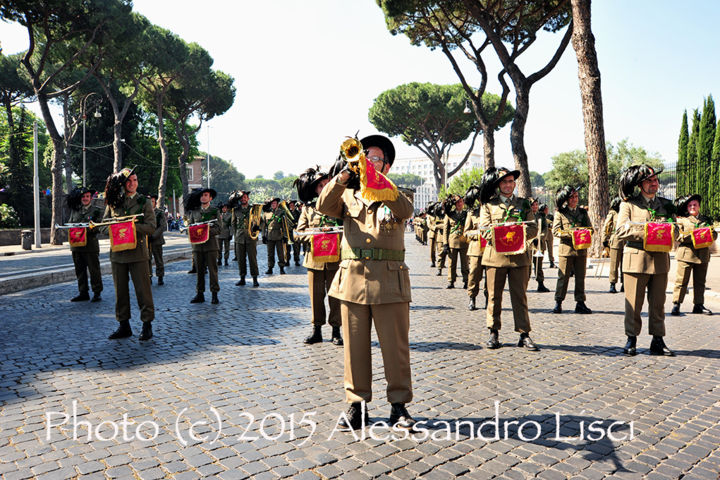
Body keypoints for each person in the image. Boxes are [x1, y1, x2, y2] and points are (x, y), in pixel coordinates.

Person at [317, 134, 415, 430]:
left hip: (390, 281)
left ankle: (399, 407)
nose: (368, 162)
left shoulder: (397, 192)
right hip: (353, 280)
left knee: (395, 348)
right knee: (354, 348)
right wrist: (346, 172)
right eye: (365, 157)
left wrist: (379, 183)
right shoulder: (347, 194)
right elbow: (322, 204)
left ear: (387, 165)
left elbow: (406, 211)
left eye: (375, 158)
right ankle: (357, 405)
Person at [615, 165, 676, 356]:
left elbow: (677, 229)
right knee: (633, 304)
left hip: (659, 262)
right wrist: (649, 231)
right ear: (640, 184)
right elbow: (621, 231)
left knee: (658, 304)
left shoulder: (666, 205)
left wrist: (670, 231)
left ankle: (658, 340)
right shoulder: (628, 205)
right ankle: (631, 339)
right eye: (650, 181)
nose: (654, 183)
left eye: (656, 180)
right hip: (636, 261)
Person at [478, 167, 539, 351]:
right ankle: (493, 332)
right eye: (504, 182)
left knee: (520, 297)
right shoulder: (489, 205)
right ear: (498, 185)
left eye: (511, 181)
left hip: (519, 258)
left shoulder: (524, 204)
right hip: (495, 258)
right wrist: (505, 231)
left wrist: (517, 231)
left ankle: (524, 334)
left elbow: (533, 228)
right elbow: (484, 229)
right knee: (494, 297)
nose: (508, 185)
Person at [102, 168, 156, 341]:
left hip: (138, 253)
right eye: (128, 181)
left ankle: (147, 324)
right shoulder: (113, 202)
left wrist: (131, 227)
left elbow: (151, 227)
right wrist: (115, 227)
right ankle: (123, 325)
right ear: (123, 184)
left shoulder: (143, 202)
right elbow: (103, 226)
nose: (132, 184)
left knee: (143, 291)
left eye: (135, 180)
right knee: (120, 292)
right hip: (118, 254)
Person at [294, 166, 343, 346]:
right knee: (316, 297)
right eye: (321, 185)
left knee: (335, 297)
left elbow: (346, 230)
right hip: (314, 260)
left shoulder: (338, 207)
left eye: (326, 184)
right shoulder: (307, 210)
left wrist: (333, 235)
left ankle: (336, 330)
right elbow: (298, 233)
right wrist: (316, 235)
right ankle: (317, 330)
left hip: (335, 259)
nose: (324, 187)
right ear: (315, 189)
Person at [671, 194, 717, 316]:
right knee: (681, 281)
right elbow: (677, 236)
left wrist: (710, 234)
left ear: (699, 206)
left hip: (702, 255)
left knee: (700, 282)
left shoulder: (706, 220)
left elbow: (714, 236)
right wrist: (694, 236)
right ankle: (677, 304)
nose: (692, 207)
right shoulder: (682, 220)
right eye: (690, 205)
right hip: (686, 254)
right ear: (687, 207)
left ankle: (698, 305)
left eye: (695, 205)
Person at [551, 186, 593, 314]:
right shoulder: (560, 213)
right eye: (572, 197)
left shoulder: (582, 213)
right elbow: (556, 231)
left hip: (581, 250)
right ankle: (558, 302)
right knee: (563, 277)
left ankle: (580, 303)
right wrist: (573, 234)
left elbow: (590, 229)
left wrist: (585, 232)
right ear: (566, 199)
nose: (575, 199)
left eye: (576, 197)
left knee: (580, 277)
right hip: (566, 250)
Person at [66, 187, 103, 302]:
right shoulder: (75, 210)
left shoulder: (96, 211)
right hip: (77, 245)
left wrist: (86, 230)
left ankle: (97, 292)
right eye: (83, 197)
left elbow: (99, 227)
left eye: (87, 196)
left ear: (91, 198)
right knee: (80, 270)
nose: (85, 199)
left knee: (94, 270)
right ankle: (83, 292)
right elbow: (71, 224)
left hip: (90, 246)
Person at [185, 188, 221, 304]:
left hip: (210, 245)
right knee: (199, 271)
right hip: (197, 246)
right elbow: (189, 228)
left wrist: (205, 230)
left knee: (212, 271)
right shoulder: (194, 212)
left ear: (210, 198)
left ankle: (214, 294)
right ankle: (199, 294)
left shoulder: (215, 211)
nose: (203, 197)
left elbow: (219, 228)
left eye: (206, 195)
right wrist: (194, 230)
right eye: (202, 195)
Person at [463, 185, 488, 311]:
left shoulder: (491, 211)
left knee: (490, 278)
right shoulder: (472, 214)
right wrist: (477, 234)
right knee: (474, 275)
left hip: (490, 250)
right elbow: (466, 232)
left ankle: (489, 299)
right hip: (476, 250)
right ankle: (472, 298)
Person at [230, 190, 260, 287]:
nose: (244, 199)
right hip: (239, 238)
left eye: (245, 197)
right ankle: (242, 278)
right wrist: (235, 235)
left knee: (252, 259)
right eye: (242, 197)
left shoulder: (254, 209)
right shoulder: (235, 210)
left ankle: (255, 278)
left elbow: (260, 221)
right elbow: (233, 224)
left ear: (248, 199)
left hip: (251, 237)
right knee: (241, 259)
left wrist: (257, 227)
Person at [442, 195, 469, 289]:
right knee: (451, 264)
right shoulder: (449, 215)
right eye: (457, 202)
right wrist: (445, 243)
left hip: (464, 242)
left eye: (461, 202)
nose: (459, 204)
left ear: (463, 203)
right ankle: (451, 281)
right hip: (452, 242)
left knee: (465, 264)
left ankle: (466, 280)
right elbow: (445, 230)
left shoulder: (467, 214)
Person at [602, 197, 624, 293]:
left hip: (627, 241)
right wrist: (605, 241)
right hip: (616, 240)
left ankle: (624, 284)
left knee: (626, 265)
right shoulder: (613, 213)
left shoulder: (628, 212)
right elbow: (606, 226)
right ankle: (612, 283)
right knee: (614, 264)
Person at [529, 198, 550, 293]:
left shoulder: (541, 216)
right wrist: (532, 238)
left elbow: (545, 229)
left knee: (539, 266)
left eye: (536, 204)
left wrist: (539, 237)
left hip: (539, 245)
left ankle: (540, 283)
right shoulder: (526, 215)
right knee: (527, 266)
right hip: (529, 245)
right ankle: (523, 283)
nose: (535, 206)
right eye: (533, 205)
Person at [262, 198, 287, 275]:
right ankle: (270, 268)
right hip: (269, 236)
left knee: (280, 253)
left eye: (275, 203)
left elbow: (284, 225)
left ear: (277, 204)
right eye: (272, 203)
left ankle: (282, 268)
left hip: (279, 235)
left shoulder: (281, 213)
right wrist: (263, 236)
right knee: (270, 254)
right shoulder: (266, 213)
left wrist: (285, 236)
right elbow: (263, 226)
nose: (273, 204)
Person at [147, 194, 167, 285]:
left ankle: (160, 276)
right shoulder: (144, 213)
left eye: (152, 201)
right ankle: (149, 276)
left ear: (155, 202)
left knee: (158, 259)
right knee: (147, 260)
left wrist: (154, 235)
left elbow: (162, 226)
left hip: (157, 240)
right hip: (147, 240)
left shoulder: (159, 212)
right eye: (149, 201)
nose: (151, 203)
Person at [285, 200, 302, 266]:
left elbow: (300, 221)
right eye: (290, 205)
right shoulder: (286, 213)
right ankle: (287, 261)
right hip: (288, 232)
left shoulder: (298, 213)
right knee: (287, 248)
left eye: (292, 205)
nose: (291, 206)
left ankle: (297, 260)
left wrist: (296, 224)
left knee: (296, 247)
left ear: (294, 205)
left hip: (295, 232)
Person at [426, 203, 438, 267]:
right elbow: (429, 224)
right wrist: (434, 228)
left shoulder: (438, 214)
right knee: (432, 249)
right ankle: (433, 261)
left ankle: (441, 262)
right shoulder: (429, 216)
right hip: (432, 234)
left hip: (439, 234)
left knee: (440, 249)